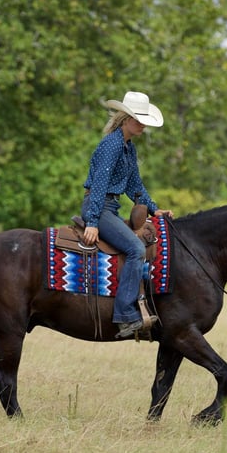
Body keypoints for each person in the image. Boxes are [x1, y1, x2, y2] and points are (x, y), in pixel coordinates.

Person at [81, 91, 174, 338]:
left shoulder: (128, 148)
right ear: (125, 118)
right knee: (136, 249)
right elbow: (99, 183)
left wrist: (155, 209)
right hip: (99, 207)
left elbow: (135, 186)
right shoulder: (111, 145)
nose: (142, 124)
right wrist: (92, 221)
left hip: (109, 208)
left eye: (144, 119)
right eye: (138, 119)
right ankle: (124, 314)